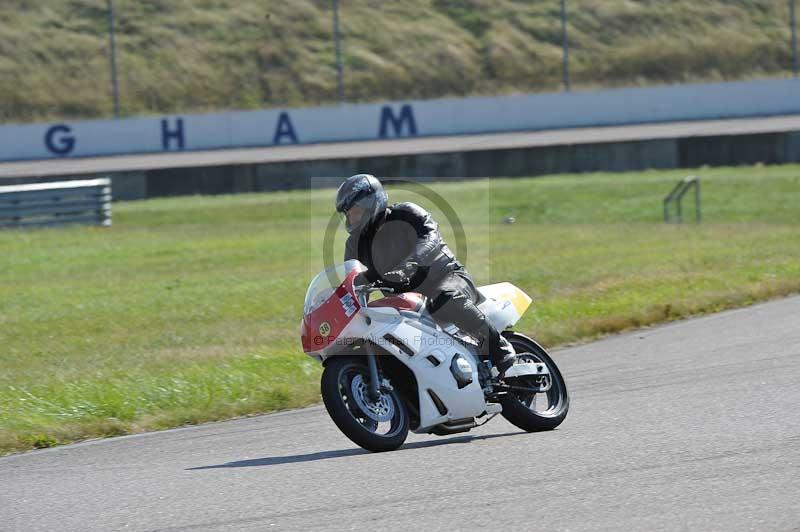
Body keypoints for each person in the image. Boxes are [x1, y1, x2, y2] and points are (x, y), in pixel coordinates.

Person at [335, 173, 517, 377]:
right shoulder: (354, 245)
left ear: (371, 202)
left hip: (446, 277)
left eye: (355, 211)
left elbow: (431, 237)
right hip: (408, 302)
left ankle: (499, 348)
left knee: (445, 298)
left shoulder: (406, 213)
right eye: (349, 214)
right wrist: (344, 304)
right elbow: (353, 277)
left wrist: (410, 263)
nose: (352, 218)